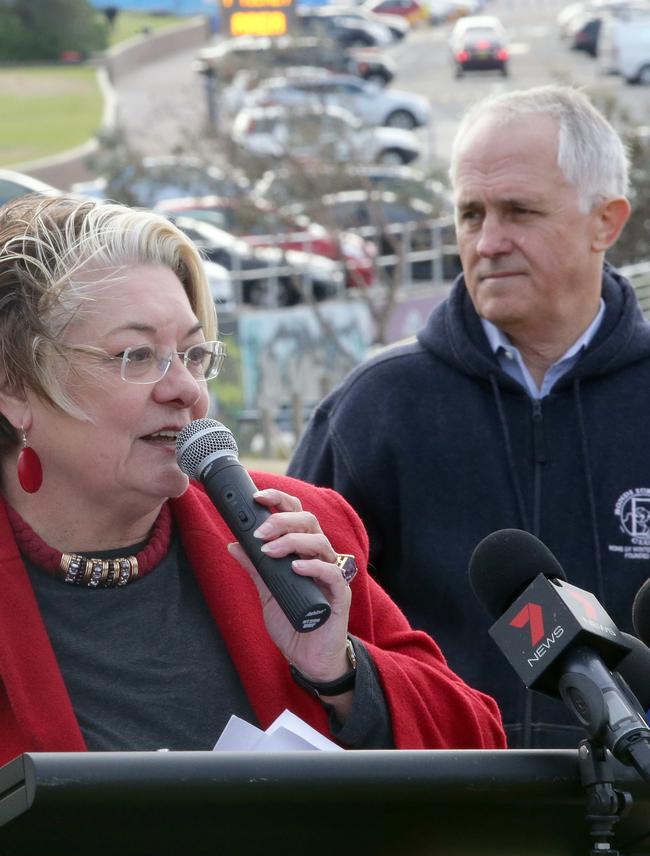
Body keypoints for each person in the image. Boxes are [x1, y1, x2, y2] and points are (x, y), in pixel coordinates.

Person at [0, 192, 504, 764]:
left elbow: (479, 749)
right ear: (14, 385)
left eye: (193, 354)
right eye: (136, 356)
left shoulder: (297, 531)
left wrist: (341, 672)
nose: (185, 390)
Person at [288, 84, 648, 749]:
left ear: (607, 221)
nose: (488, 242)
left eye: (518, 211)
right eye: (470, 213)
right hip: (435, 818)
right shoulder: (374, 410)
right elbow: (294, 633)